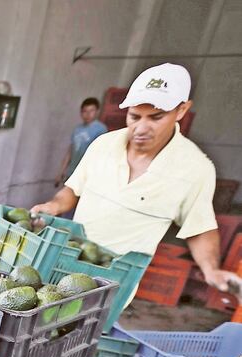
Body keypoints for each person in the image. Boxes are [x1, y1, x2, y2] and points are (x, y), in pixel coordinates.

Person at [32, 63, 240, 293]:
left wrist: (211, 270)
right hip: (66, 266)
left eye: (155, 117)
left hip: (114, 286)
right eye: (134, 116)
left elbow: (199, 228)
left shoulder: (195, 168)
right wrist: (53, 206)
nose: (141, 128)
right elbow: (73, 190)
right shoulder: (103, 145)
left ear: (182, 110)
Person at [55, 97, 107, 187]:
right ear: (81, 113)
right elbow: (70, 151)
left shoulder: (101, 129)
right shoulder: (77, 129)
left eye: (91, 111)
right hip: (72, 172)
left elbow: (101, 154)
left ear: (97, 111)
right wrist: (61, 172)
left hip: (86, 176)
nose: (88, 114)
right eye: (85, 111)